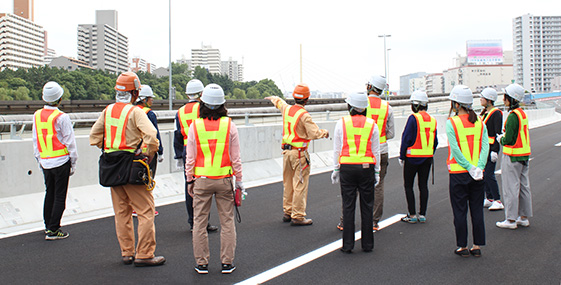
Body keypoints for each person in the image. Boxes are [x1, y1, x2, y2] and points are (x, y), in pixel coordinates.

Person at [89, 72, 165, 267]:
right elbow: (152, 135)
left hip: (111, 166)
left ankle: (127, 252)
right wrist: (147, 153)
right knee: (145, 211)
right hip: (132, 165)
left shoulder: (107, 111)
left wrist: (109, 148)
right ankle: (145, 254)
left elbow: (94, 136)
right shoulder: (135, 112)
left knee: (121, 212)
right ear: (134, 92)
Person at [185, 84, 244, 274]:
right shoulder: (230, 125)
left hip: (201, 180)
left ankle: (201, 263)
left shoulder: (195, 126)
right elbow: (236, 158)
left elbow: (190, 158)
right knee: (227, 222)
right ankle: (227, 263)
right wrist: (240, 181)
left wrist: (189, 180)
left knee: (199, 223)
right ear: (222, 105)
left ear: (202, 103)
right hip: (224, 180)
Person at [265, 84, 329, 226]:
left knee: (287, 184)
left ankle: (287, 212)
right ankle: (298, 216)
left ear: (294, 97)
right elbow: (314, 133)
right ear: (306, 99)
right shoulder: (304, 115)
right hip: (299, 155)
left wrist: (274, 98)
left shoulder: (287, 109)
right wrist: (325, 132)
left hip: (286, 153)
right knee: (300, 184)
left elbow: (280, 103)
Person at [331, 92, 380, 253]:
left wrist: (336, 169)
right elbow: (376, 151)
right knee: (367, 206)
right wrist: (377, 172)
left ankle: (348, 245)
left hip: (347, 168)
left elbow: (337, 149)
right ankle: (367, 245)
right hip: (366, 168)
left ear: (350, 107)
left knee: (348, 205)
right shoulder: (372, 124)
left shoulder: (341, 123)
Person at [446, 85, 488, 257]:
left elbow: (455, 150)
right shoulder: (480, 122)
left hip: (459, 173)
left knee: (460, 211)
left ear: (457, 104)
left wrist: (468, 167)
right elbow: (485, 146)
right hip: (478, 174)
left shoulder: (452, 123)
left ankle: (462, 246)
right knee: (477, 210)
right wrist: (479, 167)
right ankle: (477, 245)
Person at [32, 81, 78, 240]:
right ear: (60, 98)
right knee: (60, 196)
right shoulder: (62, 117)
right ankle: (54, 229)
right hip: (61, 161)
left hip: (45, 161)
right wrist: (73, 162)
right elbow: (70, 142)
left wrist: (39, 159)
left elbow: (35, 140)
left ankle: (47, 226)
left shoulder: (37, 115)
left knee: (49, 193)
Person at [173, 79, 218, 232]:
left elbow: (177, 134)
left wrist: (178, 156)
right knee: (205, 186)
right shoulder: (203, 108)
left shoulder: (179, 112)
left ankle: (193, 222)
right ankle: (204, 222)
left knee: (190, 186)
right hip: (203, 148)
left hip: (187, 150)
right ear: (201, 93)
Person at [495, 83, 532, 230]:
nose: (504, 100)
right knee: (524, 187)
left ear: (511, 98)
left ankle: (510, 219)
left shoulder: (512, 116)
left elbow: (509, 139)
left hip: (512, 155)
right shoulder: (522, 113)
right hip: (524, 154)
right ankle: (523, 217)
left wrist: (500, 139)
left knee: (510, 188)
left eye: (505, 97)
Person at [399, 90, 437, 224]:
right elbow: (435, 141)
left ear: (415, 105)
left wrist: (402, 155)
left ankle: (412, 214)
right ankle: (422, 214)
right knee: (423, 185)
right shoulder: (433, 120)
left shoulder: (413, 118)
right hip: (427, 158)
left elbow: (406, 138)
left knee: (408, 186)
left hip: (412, 158)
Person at [366, 75, 394, 231]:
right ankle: (374, 220)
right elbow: (392, 133)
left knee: (355, 186)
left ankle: (345, 221)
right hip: (382, 150)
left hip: (364, 150)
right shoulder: (387, 107)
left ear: (370, 87)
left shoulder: (362, 104)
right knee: (378, 185)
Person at [133, 84, 163, 217]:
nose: (152, 101)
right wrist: (160, 151)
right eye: (150, 98)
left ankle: (134, 207)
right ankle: (145, 208)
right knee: (147, 180)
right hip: (147, 152)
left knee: (134, 180)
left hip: (132, 152)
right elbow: (155, 135)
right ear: (144, 99)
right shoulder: (149, 114)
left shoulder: (131, 111)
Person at [479, 88, 504, 211]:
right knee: (484, 174)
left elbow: (497, 133)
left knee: (489, 174)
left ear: (489, 100)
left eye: (482, 97)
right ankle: (489, 198)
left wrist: (495, 150)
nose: (480, 99)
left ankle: (497, 199)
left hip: (491, 148)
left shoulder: (496, 113)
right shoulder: (484, 113)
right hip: (484, 149)